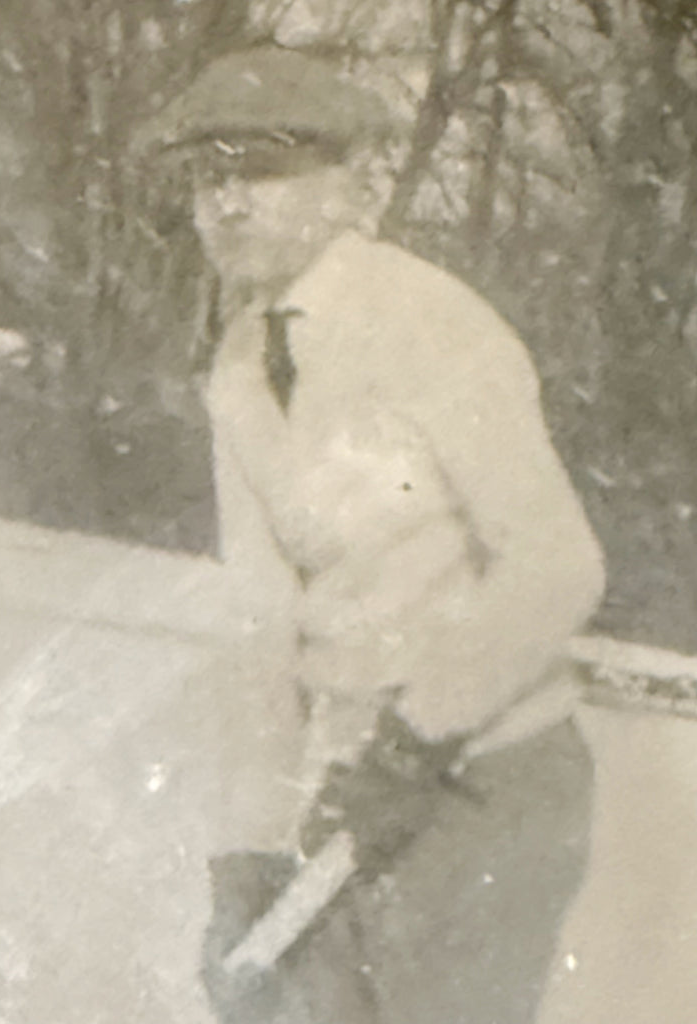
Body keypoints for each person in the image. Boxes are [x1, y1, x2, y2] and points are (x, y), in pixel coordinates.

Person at [136, 46, 606, 1024]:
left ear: (344, 185)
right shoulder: (235, 369)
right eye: (207, 176)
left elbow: (557, 566)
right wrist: (245, 858)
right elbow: (262, 626)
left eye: (260, 171)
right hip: (353, 794)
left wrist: (412, 743)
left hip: (486, 782)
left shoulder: (431, 324)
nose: (226, 203)